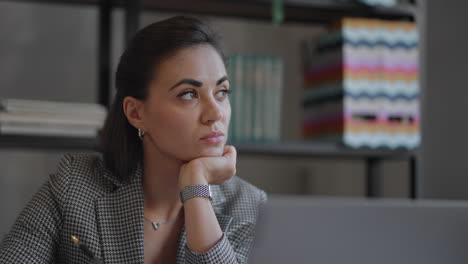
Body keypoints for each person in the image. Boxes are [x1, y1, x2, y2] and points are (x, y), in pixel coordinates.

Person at [0, 16, 267, 263]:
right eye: (188, 94)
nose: (215, 113)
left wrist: (196, 189)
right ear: (136, 113)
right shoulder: (74, 185)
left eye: (222, 92)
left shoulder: (250, 205)